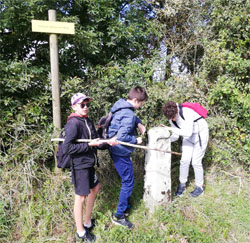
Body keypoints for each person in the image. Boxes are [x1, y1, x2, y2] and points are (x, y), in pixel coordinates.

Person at [63, 93, 116, 242]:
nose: (86, 107)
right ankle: (80, 232)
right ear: (74, 106)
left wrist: (109, 142)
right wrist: (88, 145)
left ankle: (87, 222)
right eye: (82, 105)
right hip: (80, 166)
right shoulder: (73, 123)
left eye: (87, 105)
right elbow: (68, 147)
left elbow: (96, 141)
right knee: (80, 197)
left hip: (89, 164)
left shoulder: (87, 121)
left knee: (96, 187)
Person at [108, 86, 148, 229]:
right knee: (128, 182)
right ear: (136, 100)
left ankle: (125, 204)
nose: (140, 106)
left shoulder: (120, 105)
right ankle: (119, 216)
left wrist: (138, 123)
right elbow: (122, 137)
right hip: (120, 151)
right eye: (141, 103)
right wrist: (136, 140)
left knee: (127, 180)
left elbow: (128, 116)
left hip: (115, 149)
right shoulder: (128, 114)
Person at [161, 101, 209, 197]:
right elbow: (176, 135)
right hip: (188, 137)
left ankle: (200, 187)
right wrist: (165, 141)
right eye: (170, 118)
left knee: (196, 162)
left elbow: (187, 132)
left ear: (177, 111)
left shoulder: (187, 112)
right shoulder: (171, 119)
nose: (173, 120)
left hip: (200, 135)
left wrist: (170, 129)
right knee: (184, 161)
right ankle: (182, 184)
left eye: (174, 117)